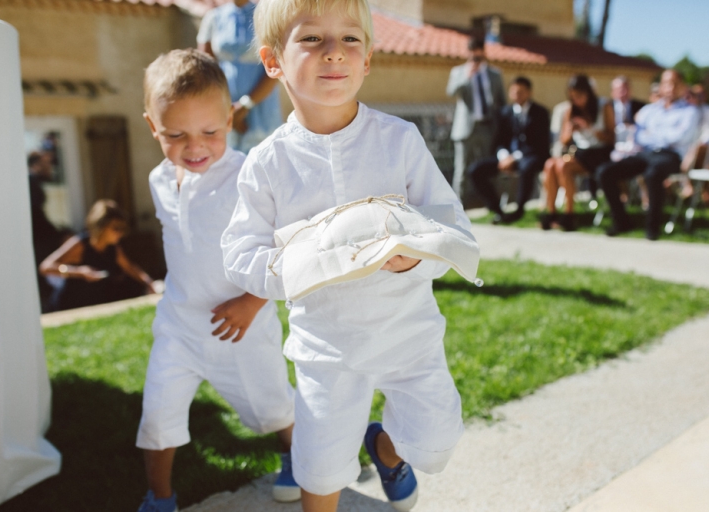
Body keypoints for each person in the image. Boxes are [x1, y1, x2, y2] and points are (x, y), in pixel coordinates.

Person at [222, 1, 470, 511]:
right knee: (320, 466)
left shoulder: (400, 140)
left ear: (368, 58)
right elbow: (241, 252)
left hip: (410, 333)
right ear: (272, 61)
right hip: (326, 346)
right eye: (312, 39)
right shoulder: (266, 163)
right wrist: (297, 266)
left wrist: (415, 255)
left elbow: (450, 223)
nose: (334, 52)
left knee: (437, 442)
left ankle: (383, 446)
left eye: (350, 39)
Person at [135, 49, 297, 512]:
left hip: (242, 325)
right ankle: (159, 496)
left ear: (230, 117)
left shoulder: (248, 176)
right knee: (158, 413)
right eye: (175, 135)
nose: (194, 147)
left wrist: (251, 301)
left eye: (209, 131)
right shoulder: (159, 180)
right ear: (152, 126)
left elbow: (284, 247)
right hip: (180, 325)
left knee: (272, 407)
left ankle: (295, 456)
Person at [597, 69, 700, 240]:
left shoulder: (690, 111)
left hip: (671, 156)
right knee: (605, 172)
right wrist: (663, 134)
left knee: (653, 174)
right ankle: (621, 221)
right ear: (660, 86)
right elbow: (638, 135)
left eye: (675, 83)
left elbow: (680, 137)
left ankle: (652, 226)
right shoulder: (649, 110)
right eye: (667, 83)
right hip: (645, 153)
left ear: (683, 87)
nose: (670, 88)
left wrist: (652, 134)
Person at [197, 0, 283, 153]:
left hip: (260, 105)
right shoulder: (213, 18)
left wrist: (245, 105)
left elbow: (275, 67)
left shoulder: (265, 16)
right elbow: (206, 68)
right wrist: (227, 109)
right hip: (223, 106)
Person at [39, 199, 154, 311]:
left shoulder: (112, 248)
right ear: (101, 226)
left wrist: (148, 282)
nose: (120, 233)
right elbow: (46, 267)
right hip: (68, 305)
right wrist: (78, 272)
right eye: (116, 228)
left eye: (122, 228)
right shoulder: (80, 245)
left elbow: (129, 267)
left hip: (90, 305)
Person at [468, 76, 550, 224]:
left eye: (521, 92)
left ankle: (519, 210)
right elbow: (499, 141)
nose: (517, 95)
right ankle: (497, 210)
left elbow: (540, 144)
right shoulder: (504, 113)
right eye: (514, 92)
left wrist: (515, 157)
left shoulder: (540, 113)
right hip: (506, 157)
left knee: (527, 167)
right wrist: (504, 156)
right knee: (476, 170)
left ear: (529, 92)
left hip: (531, 157)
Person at [540, 75, 615, 231]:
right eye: (573, 97)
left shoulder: (603, 105)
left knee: (563, 166)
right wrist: (571, 131)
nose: (576, 100)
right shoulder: (570, 110)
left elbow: (611, 138)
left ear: (588, 93)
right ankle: (551, 212)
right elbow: (564, 140)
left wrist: (590, 128)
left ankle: (569, 213)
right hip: (580, 152)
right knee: (549, 164)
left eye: (579, 96)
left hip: (599, 152)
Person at [447, 35, 506, 202]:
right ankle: (458, 207)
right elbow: (451, 92)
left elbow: (502, 101)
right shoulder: (459, 72)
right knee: (462, 169)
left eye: (478, 53)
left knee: (489, 168)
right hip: (465, 128)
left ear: (483, 52)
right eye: (472, 53)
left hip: (488, 127)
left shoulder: (494, 74)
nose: (476, 56)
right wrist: (467, 77)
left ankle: (492, 205)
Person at [28, 150, 65, 311]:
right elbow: (35, 215)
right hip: (38, 239)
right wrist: (57, 234)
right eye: (46, 163)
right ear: (36, 165)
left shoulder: (32, 181)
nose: (50, 167)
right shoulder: (30, 182)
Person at [610, 75, 645, 143]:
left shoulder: (641, 107)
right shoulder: (608, 107)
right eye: (619, 90)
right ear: (612, 92)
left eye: (625, 89)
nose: (623, 93)